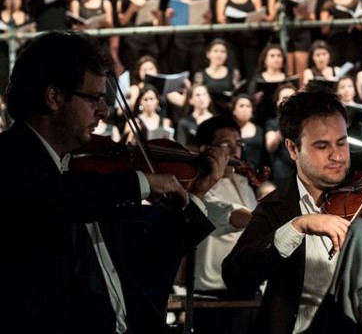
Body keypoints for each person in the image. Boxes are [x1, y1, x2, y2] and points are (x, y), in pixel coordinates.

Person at [0, 30, 229, 334]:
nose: (104, 111)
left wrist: (198, 192)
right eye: (94, 98)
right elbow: (56, 200)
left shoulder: (85, 175)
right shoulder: (10, 160)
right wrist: (142, 182)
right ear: (53, 97)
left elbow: (141, 264)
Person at [222, 90, 362, 334]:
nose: (337, 156)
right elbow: (236, 277)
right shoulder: (275, 208)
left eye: (342, 142)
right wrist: (297, 226)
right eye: (322, 146)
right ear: (292, 149)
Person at [192, 115, 261, 334]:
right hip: (213, 294)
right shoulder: (199, 186)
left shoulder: (244, 185)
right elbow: (227, 215)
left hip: (246, 290)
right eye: (225, 144)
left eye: (238, 144)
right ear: (205, 148)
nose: (234, 151)